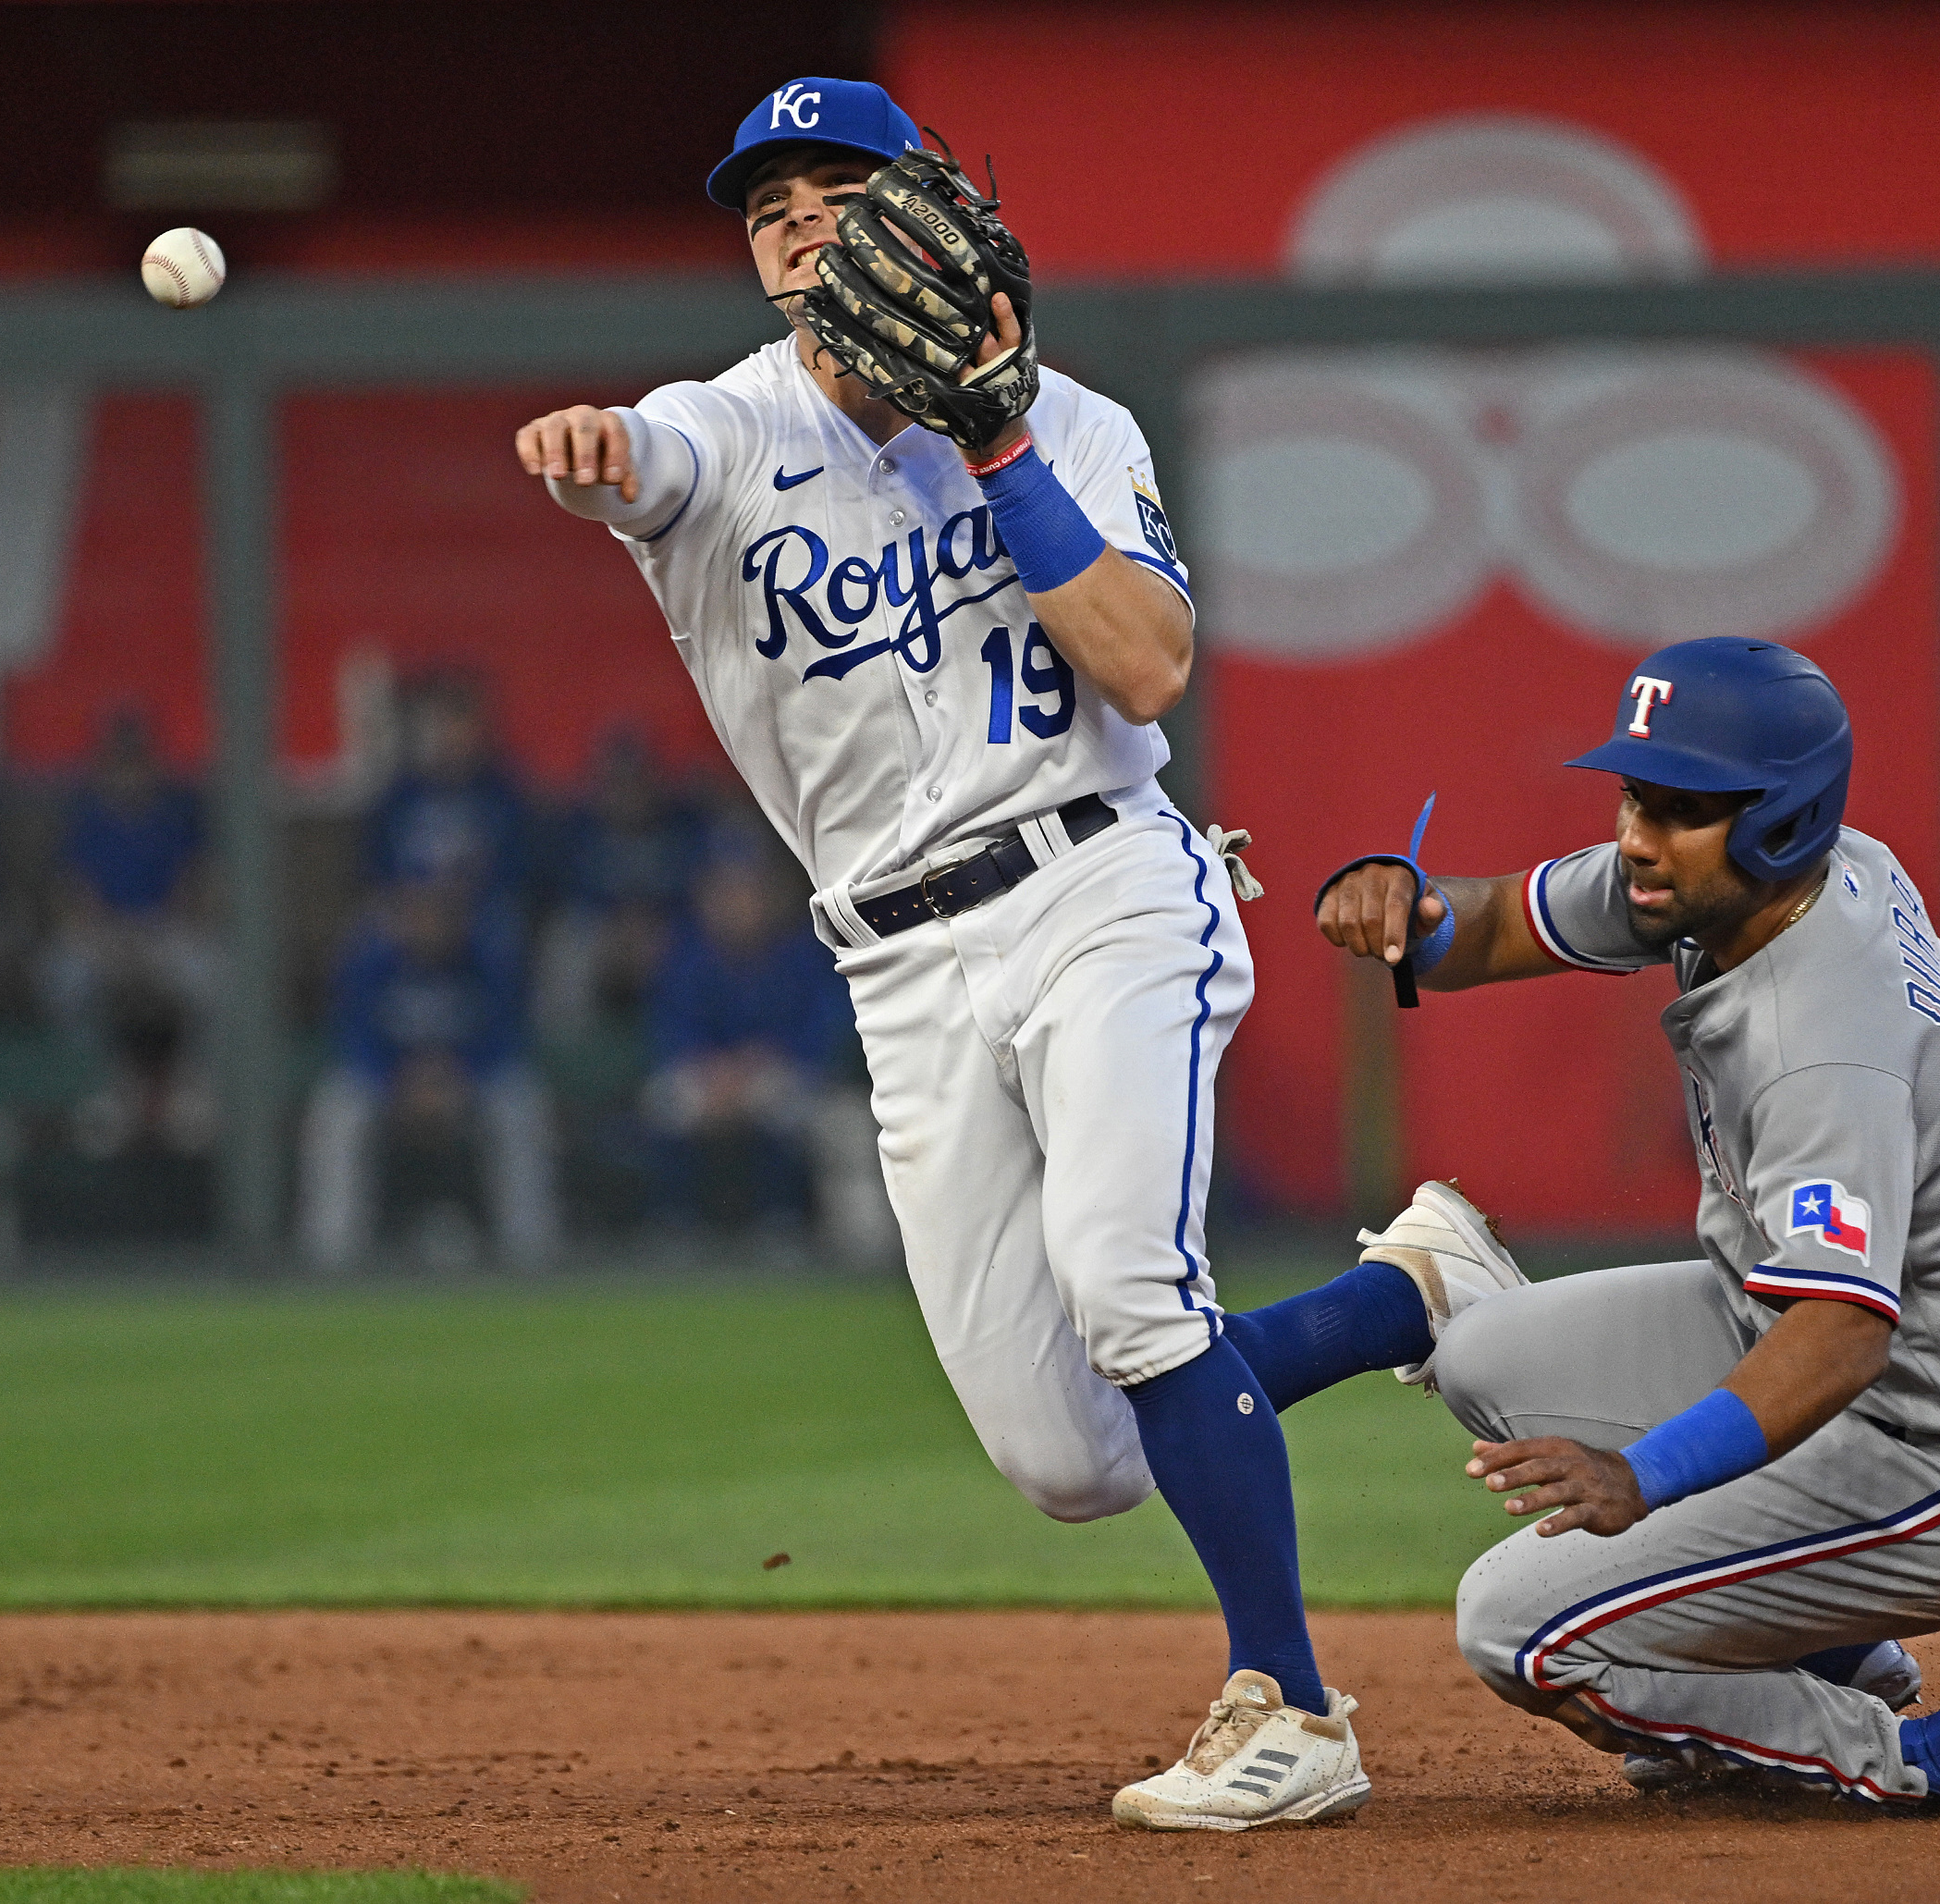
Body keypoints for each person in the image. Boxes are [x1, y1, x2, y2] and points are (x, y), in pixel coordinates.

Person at [513, 77, 1429, 1826]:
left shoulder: (1074, 425)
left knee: (1126, 1274)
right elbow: (654, 460)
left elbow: (1148, 669)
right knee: (1069, 1458)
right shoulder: (719, 418)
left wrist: (996, 436)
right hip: (898, 966)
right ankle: (1406, 1295)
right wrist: (598, 453)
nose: (790, 213)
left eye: (833, 183)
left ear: (927, 214)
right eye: (763, 197)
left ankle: (1292, 1702)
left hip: (1104, 887)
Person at [1301, 635, 1940, 1816]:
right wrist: (1405, 909)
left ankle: (1916, 1756)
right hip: (1810, 1335)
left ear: (1779, 820)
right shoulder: (1786, 875)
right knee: (1479, 1353)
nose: (1635, 832)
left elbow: (1838, 1339)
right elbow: (1486, 928)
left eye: (1678, 808)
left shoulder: (1818, 1038)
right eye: (1633, 793)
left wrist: (1645, 1475)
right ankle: (1820, 1643)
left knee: (1519, 1626)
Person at [640, 829, 888, 1258]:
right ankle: (674, 1226)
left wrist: (764, 1065)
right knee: (664, 1103)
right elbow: (668, 1033)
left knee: (809, 1113)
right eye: (724, 891)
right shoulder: (689, 956)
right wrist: (716, 1071)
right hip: (710, 1077)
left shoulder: (801, 952)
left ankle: (800, 1230)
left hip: (783, 1076)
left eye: (746, 891)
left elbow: (826, 1032)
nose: (735, 903)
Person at [296, 876, 558, 1271]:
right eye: (419, 912)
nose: (429, 923)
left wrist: (460, 1077)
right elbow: (354, 1039)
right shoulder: (372, 963)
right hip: (391, 1085)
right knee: (339, 1109)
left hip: (467, 1084)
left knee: (520, 1104)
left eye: (440, 912)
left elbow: (507, 1038)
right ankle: (332, 1256)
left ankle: (530, 1251)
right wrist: (397, 1081)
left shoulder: (485, 959)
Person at [35, 711, 223, 1152]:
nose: (128, 771)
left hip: (165, 934)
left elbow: (200, 887)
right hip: (103, 939)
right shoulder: (85, 816)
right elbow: (69, 897)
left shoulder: (179, 811)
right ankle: (100, 1092)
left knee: (218, 975)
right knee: (62, 976)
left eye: (136, 760)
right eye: (119, 761)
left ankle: (195, 1093)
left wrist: (159, 934)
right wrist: (108, 939)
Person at [535, 731, 705, 1038]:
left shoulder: (679, 827)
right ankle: (567, 1041)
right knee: (568, 940)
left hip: (666, 932)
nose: (627, 795)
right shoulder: (579, 831)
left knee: (696, 942)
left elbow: (696, 895)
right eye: (617, 784)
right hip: (602, 931)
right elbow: (566, 894)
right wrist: (617, 927)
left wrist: (652, 925)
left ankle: (679, 1043)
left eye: (635, 783)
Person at [360, 671, 532, 907]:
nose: (445, 736)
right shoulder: (400, 796)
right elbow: (376, 865)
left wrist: (459, 901)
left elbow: (516, 869)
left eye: (456, 723)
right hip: (408, 912)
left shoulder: (502, 794)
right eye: (437, 724)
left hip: (478, 910)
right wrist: (410, 901)